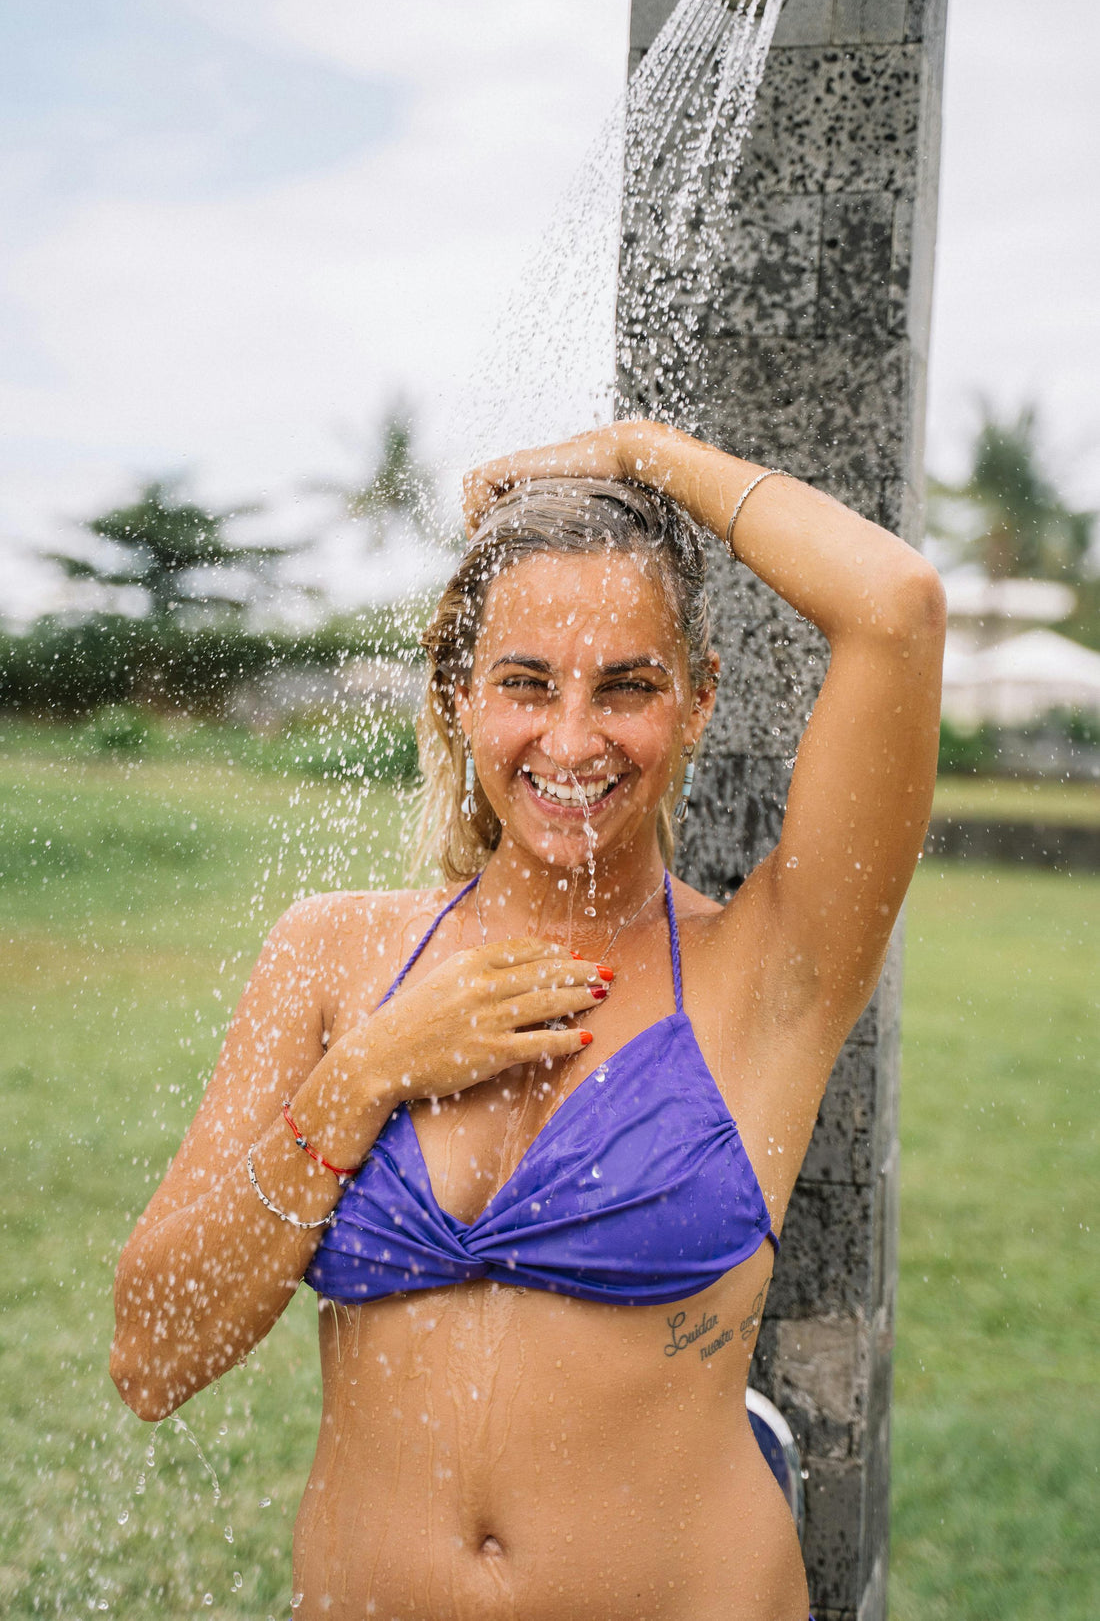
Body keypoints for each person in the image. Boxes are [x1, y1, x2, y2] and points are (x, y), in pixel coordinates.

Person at [111, 419, 945, 1621]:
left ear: (698, 699)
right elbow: (153, 1354)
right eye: (522, 683)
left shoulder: (768, 969)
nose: (569, 739)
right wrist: (364, 1080)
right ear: (457, 696)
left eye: (626, 686)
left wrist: (635, 449)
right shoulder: (334, 956)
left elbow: (896, 605)